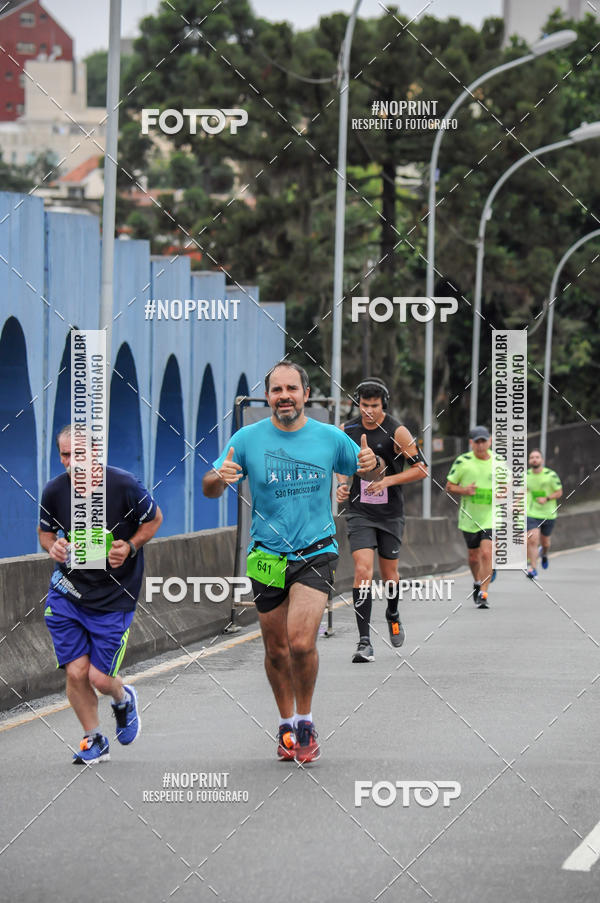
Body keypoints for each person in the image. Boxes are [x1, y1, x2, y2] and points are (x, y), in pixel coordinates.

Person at [202, 361, 381, 763]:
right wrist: (220, 479)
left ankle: (305, 720)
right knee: (277, 649)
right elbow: (209, 487)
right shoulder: (247, 439)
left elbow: (368, 469)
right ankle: (285, 724)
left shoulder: (330, 438)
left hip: (316, 550)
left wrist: (373, 466)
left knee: (301, 642)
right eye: (276, 390)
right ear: (268, 397)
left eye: (291, 389)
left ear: (305, 393)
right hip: (266, 554)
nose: (284, 396)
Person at [38, 425, 162, 764]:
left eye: (78, 454)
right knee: (76, 672)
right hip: (67, 592)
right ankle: (93, 739)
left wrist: (131, 546)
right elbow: (45, 533)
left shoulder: (123, 484)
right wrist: (55, 548)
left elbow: (154, 520)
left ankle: (122, 699)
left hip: (114, 596)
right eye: (64, 454)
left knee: (99, 678)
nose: (71, 462)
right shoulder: (54, 491)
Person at [335, 378, 427, 663]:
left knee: (389, 574)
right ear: (358, 404)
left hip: (390, 514)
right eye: (364, 406)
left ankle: (393, 612)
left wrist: (387, 481)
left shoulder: (397, 431)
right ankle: (364, 641)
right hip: (360, 511)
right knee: (363, 570)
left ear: (383, 405)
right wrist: (341, 483)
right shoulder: (347, 430)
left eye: (374, 406)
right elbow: (338, 463)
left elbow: (422, 470)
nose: (369, 412)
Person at [445, 425, 506, 609]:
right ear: (471, 443)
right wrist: (465, 490)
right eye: (477, 442)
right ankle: (477, 581)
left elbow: (507, 484)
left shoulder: (499, 461)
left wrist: (503, 493)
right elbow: (449, 486)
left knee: (487, 553)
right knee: (473, 558)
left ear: (490, 441)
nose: (481, 445)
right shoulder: (463, 461)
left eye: (484, 441)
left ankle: (484, 593)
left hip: (491, 516)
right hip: (469, 517)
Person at [525, 449, 562, 578]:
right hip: (532, 513)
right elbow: (523, 491)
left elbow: (559, 492)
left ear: (542, 460)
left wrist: (546, 498)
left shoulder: (550, 475)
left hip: (548, 514)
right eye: (532, 457)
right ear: (529, 461)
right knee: (532, 540)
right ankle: (533, 569)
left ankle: (544, 554)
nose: (534, 459)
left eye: (537, 457)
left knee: (545, 543)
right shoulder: (526, 475)